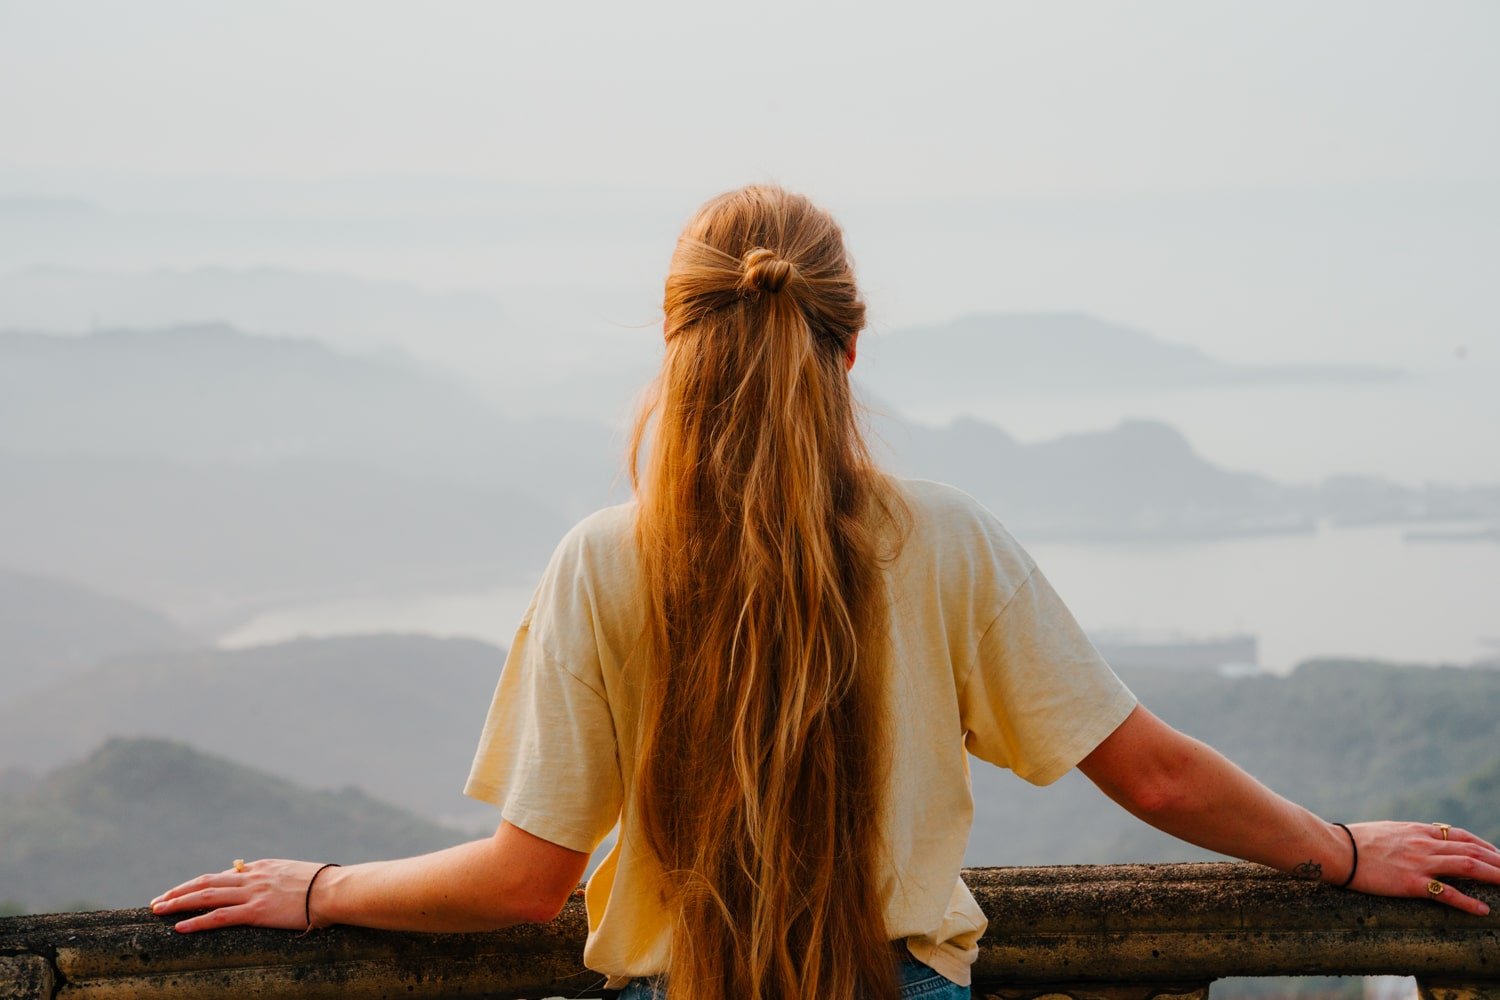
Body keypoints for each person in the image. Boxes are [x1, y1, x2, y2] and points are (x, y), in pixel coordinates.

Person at [151, 185, 1500, 1000]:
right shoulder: (950, 540)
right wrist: (1336, 849)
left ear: (677, 352)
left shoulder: (601, 562)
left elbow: (525, 881)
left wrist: (321, 890)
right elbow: (1149, 776)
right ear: (847, 352)